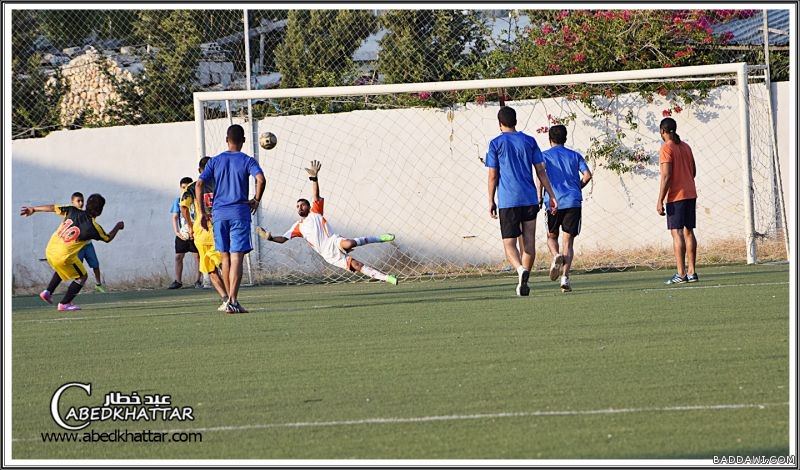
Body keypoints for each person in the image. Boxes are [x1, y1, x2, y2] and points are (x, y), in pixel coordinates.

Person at [257, 160, 398, 284]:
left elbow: (315, 195)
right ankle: (386, 278)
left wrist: (314, 178)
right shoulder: (297, 227)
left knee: (349, 243)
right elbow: (283, 239)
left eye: (302, 205)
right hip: (328, 255)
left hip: (333, 241)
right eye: (297, 206)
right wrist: (270, 238)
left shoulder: (315, 212)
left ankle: (380, 238)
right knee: (356, 265)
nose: (300, 207)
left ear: (308, 206)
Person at [486, 106, 557, 296]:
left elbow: (493, 175)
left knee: (509, 244)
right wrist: (551, 194)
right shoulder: (529, 141)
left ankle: (520, 269)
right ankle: (524, 280)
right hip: (529, 198)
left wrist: (491, 200)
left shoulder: (495, 144)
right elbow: (540, 170)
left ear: (500, 123)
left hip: (508, 201)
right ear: (516, 121)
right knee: (529, 243)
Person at [196, 125, 266, 313]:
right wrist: (256, 200)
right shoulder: (247, 160)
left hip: (219, 214)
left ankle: (229, 301)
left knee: (225, 257)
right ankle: (233, 301)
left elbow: (200, 183)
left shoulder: (215, 161)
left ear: (227, 140)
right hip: (239, 213)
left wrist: (202, 213)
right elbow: (261, 179)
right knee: (237, 258)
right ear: (243, 140)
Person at [20, 194, 124, 311]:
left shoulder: (72, 210)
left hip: (50, 250)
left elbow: (53, 208)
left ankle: (48, 292)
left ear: (86, 205)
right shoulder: (94, 227)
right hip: (63, 256)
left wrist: (33, 209)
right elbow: (107, 238)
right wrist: (117, 227)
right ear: (99, 212)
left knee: (64, 268)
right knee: (82, 276)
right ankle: (65, 303)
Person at [538, 125, 592, 293]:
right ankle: (565, 279)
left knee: (551, 236)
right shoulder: (575, 156)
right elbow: (587, 175)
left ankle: (555, 255)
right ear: (565, 138)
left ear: (550, 139)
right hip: (573, 202)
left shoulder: (544, 156)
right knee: (568, 242)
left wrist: (539, 196)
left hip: (553, 202)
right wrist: (577, 187)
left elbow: (541, 175)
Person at [180, 157, 230, 311]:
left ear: (198, 170)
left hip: (200, 232)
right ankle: (232, 298)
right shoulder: (222, 184)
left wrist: (189, 226)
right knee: (224, 263)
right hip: (218, 228)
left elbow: (183, 207)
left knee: (210, 269)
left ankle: (225, 298)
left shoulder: (191, 187)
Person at [656, 117, 699, 285]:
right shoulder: (686, 147)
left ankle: (681, 274)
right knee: (689, 232)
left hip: (676, 196)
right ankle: (692, 272)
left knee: (677, 232)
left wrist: (660, 200)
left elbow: (666, 176)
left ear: (662, 131)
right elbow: (693, 171)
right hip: (690, 193)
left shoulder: (666, 148)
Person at [169, 177, 202, 290]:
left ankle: (198, 280)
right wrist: (177, 231)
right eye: (183, 188)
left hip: (196, 232)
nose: (185, 190)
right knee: (178, 256)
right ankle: (178, 281)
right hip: (183, 233)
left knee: (197, 256)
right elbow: (175, 217)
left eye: (187, 187)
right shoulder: (177, 201)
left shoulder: (196, 200)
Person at [70, 192, 106, 293]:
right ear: (72, 202)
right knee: (78, 269)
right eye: (78, 201)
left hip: (88, 245)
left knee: (95, 265)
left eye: (82, 201)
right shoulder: (72, 214)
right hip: (78, 247)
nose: (80, 203)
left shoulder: (87, 214)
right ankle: (76, 288)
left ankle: (98, 284)